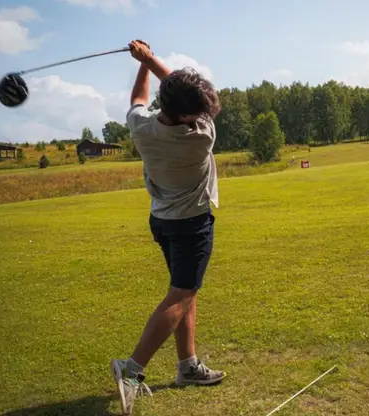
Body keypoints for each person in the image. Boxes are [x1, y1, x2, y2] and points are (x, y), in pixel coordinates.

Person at [110, 39, 225, 415]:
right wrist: (151, 59)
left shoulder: (141, 129)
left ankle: (187, 367)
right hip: (193, 224)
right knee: (180, 296)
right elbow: (172, 86)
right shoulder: (202, 135)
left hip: (161, 221)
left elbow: (143, 97)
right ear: (188, 115)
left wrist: (142, 63)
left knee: (184, 291)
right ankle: (131, 370)